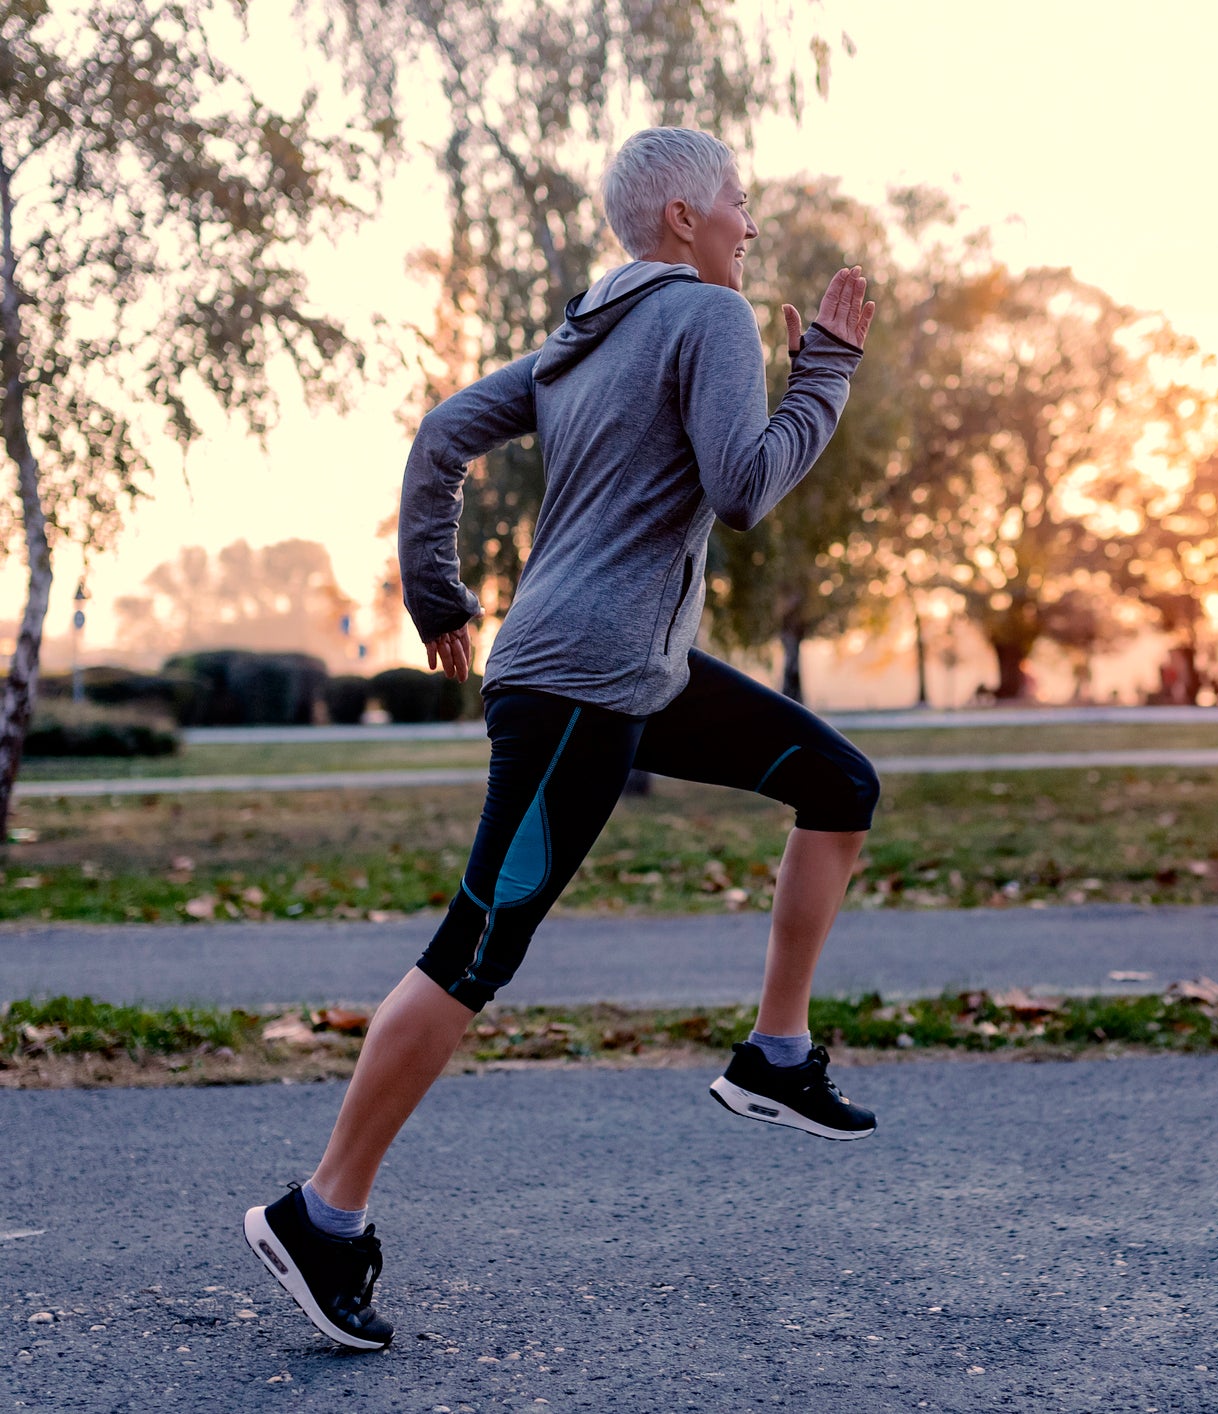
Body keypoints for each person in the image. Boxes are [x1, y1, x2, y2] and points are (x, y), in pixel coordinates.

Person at [243, 127, 880, 1352]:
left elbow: (441, 436)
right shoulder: (701, 318)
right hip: (587, 681)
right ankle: (322, 1215)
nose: (750, 225)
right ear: (687, 218)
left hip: (624, 667)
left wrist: (438, 593)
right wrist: (828, 378)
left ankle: (775, 1051)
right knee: (474, 948)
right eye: (738, 205)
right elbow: (743, 489)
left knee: (837, 783)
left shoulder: (574, 343)